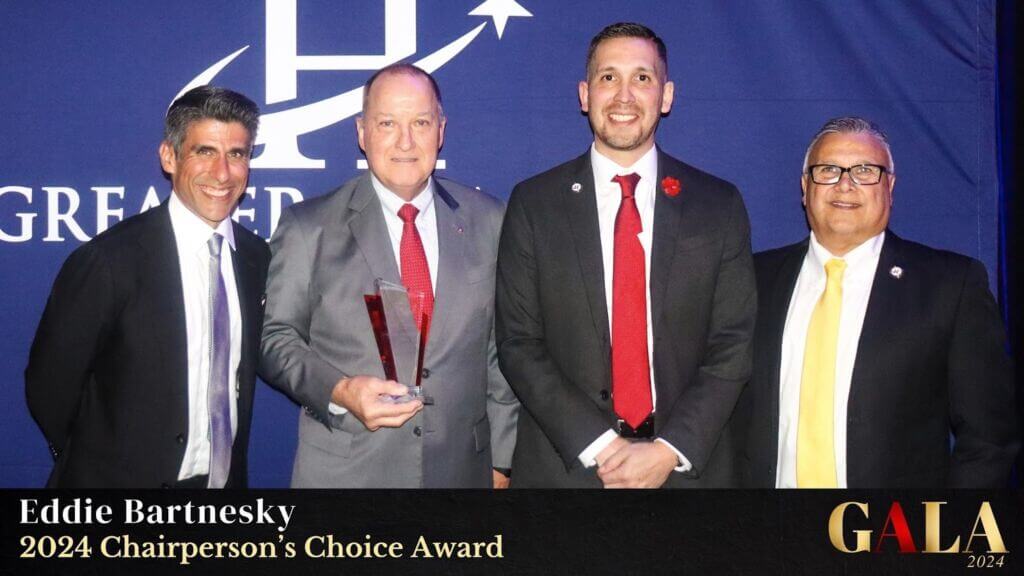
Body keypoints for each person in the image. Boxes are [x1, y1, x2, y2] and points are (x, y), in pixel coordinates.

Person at [496, 22, 756, 488]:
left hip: (684, 471)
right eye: (608, 77)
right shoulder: (534, 204)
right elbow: (519, 343)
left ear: (667, 95)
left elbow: (733, 344)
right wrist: (603, 446)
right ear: (584, 93)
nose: (623, 96)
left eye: (642, 78)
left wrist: (669, 450)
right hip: (568, 468)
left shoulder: (717, 205)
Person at [260, 63, 519, 488]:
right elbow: (275, 339)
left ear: (441, 130)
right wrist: (340, 391)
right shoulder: (309, 228)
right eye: (387, 123)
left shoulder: (489, 221)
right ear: (362, 133)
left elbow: (502, 347)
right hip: (346, 475)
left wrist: (503, 460)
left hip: (464, 474)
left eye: (420, 122)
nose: (405, 140)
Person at [736, 116, 1018, 488]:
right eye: (828, 170)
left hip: (892, 535)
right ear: (805, 188)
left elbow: (990, 440)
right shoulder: (751, 280)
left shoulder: (950, 287)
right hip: (765, 534)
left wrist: (940, 532)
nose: (845, 184)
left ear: (890, 186)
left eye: (866, 171)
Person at [25, 86, 270, 488]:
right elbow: (48, 386)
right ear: (169, 157)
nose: (223, 173)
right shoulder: (109, 261)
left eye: (237, 154)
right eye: (204, 151)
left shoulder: (255, 257)